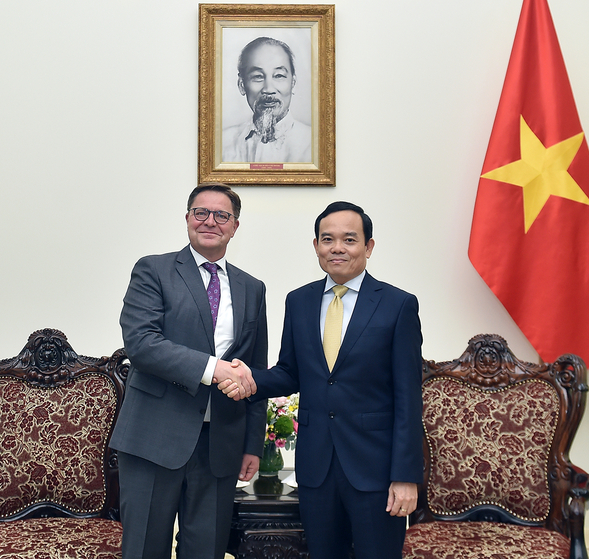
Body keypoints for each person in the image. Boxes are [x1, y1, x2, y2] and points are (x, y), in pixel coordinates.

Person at [220, 201, 423, 559]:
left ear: (368, 247)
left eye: (349, 239)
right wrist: (249, 379)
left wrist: (405, 476)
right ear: (316, 246)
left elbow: (409, 397)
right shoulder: (298, 301)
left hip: (375, 471)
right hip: (316, 467)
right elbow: (289, 373)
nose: (337, 248)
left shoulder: (398, 305)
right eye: (327, 239)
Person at [110, 183, 267, 559]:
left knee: (206, 552)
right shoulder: (153, 270)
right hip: (153, 438)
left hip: (220, 445)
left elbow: (253, 369)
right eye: (201, 213)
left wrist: (252, 444)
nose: (210, 221)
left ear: (235, 226)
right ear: (187, 219)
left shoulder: (253, 288)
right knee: (145, 549)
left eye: (221, 215)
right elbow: (143, 344)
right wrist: (214, 369)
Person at [222, 36, 312, 163]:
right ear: (242, 85)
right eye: (258, 76)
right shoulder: (223, 144)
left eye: (279, 75)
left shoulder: (313, 144)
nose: (268, 89)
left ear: (293, 83)